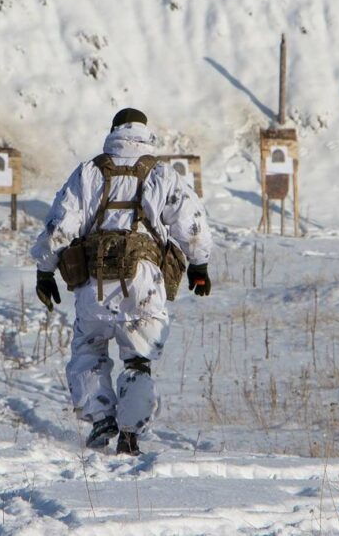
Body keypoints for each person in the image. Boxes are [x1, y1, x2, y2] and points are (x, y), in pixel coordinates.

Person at [30, 108, 212, 455]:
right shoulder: (161, 174)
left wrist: (45, 269)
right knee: (138, 360)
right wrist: (199, 267)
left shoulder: (88, 172)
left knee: (88, 351)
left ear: (113, 131)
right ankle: (130, 434)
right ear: (146, 134)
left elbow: (60, 226)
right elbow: (192, 226)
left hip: (92, 283)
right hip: (144, 283)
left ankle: (100, 418)